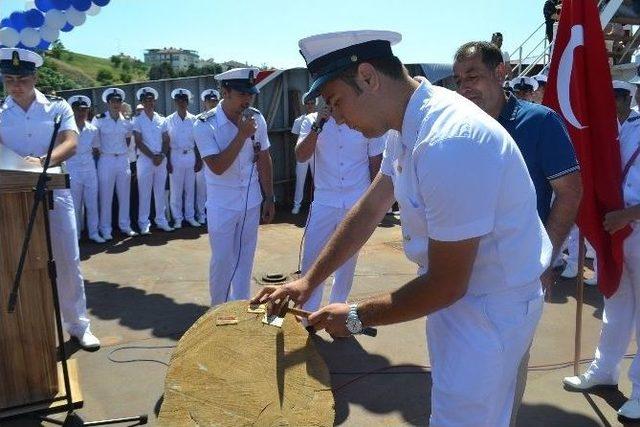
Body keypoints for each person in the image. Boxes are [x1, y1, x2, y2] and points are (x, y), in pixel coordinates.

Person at [253, 30, 552, 426]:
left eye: (336, 101)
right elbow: (371, 205)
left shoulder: (450, 142)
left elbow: (447, 284)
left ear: (368, 77)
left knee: (463, 418)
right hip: (460, 296)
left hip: (487, 308)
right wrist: (309, 281)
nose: (337, 117)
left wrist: (357, 315)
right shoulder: (407, 124)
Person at [453, 40, 582, 425]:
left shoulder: (539, 122)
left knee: (504, 380)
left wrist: (545, 258)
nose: (465, 87)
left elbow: (569, 191)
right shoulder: (461, 125)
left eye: (473, 76)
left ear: (501, 72)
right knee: (464, 374)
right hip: (463, 272)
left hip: (516, 277)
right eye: (459, 80)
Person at [0, 48, 100, 349]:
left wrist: (43, 161)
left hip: (55, 190)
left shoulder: (57, 107)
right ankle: (29, 326)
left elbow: (71, 142)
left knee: (68, 259)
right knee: (21, 261)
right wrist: (19, 166)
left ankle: (78, 325)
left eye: (22, 79)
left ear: (35, 77)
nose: (16, 85)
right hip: (13, 197)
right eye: (9, 80)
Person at [563, 80, 640, 421]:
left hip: (632, 224)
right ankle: (604, 370)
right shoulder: (625, 128)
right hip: (618, 233)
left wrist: (630, 214)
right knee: (616, 304)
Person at [194, 68, 275, 305]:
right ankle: (217, 308)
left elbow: (264, 157)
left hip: (251, 201)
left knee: (245, 258)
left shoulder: (256, 118)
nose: (247, 100)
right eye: (242, 94)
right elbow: (217, 167)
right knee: (222, 260)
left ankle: (241, 305)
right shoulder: (204, 125)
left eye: (250, 94)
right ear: (225, 92)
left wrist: (269, 196)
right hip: (222, 204)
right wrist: (241, 135)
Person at [295, 103, 384, 312]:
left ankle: (336, 310)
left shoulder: (366, 120)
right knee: (311, 258)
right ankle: (306, 312)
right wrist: (318, 125)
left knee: (347, 260)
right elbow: (301, 155)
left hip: (356, 200)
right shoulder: (311, 121)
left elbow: (375, 163)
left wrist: (374, 205)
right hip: (325, 201)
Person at [92, 88, 137, 239]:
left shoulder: (127, 121)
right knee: (106, 196)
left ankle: (125, 225)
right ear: (108, 103)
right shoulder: (99, 119)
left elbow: (129, 140)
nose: (116, 104)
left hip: (123, 160)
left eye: (118, 101)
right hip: (106, 159)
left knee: (125, 195)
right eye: (113, 101)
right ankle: (105, 229)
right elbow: (95, 143)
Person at [132, 87, 172, 234]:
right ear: (141, 102)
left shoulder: (161, 119)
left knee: (160, 192)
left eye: (151, 100)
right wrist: (152, 157)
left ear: (154, 101)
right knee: (145, 193)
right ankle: (143, 223)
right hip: (145, 160)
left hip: (161, 159)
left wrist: (161, 155)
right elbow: (138, 141)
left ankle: (161, 220)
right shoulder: (137, 120)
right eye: (145, 100)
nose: (149, 103)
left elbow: (166, 139)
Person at [66, 95, 104, 243]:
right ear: (72, 111)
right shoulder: (67, 129)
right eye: (77, 110)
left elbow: (96, 149)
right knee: (75, 205)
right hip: (73, 169)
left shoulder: (93, 129)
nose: (81, 113)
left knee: (92, 203)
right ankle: (76, 235)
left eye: (84, 110)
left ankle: (94, 233)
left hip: (89, 170)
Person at [164, 88, 202, 228]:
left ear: (187, 102)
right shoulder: (168, 120)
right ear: (175, 102)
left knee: (190, 188)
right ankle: (178, 218)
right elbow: (166, 142)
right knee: (176, 189)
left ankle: (190, 216)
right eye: (179, 100)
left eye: (184, 100)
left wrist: (199, 159)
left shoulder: (194, 120)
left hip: (190, 155)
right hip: (175, 155)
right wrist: (167, 161)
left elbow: (198, 141)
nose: (182, 103)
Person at [196, 89, 220, 223]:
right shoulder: (199, 120)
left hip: (219, 159)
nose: (212, 103)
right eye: (209, 101)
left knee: (217, 189)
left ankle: (214, 215)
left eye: (214, 101)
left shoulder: (222, 119)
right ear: (204, 102)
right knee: (201, 190)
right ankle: (201, 215)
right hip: (203, 160)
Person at [290, 98, 317, 214]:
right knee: (300, 180)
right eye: (307, 104)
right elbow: (296, 139)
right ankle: (297, 205)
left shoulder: (319, 118)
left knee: (318, 179)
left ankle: (317, 204)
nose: (309, 106)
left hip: (316, 153)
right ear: (304, 105)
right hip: (303, 153)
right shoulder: (298, 121)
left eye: (312, 103)